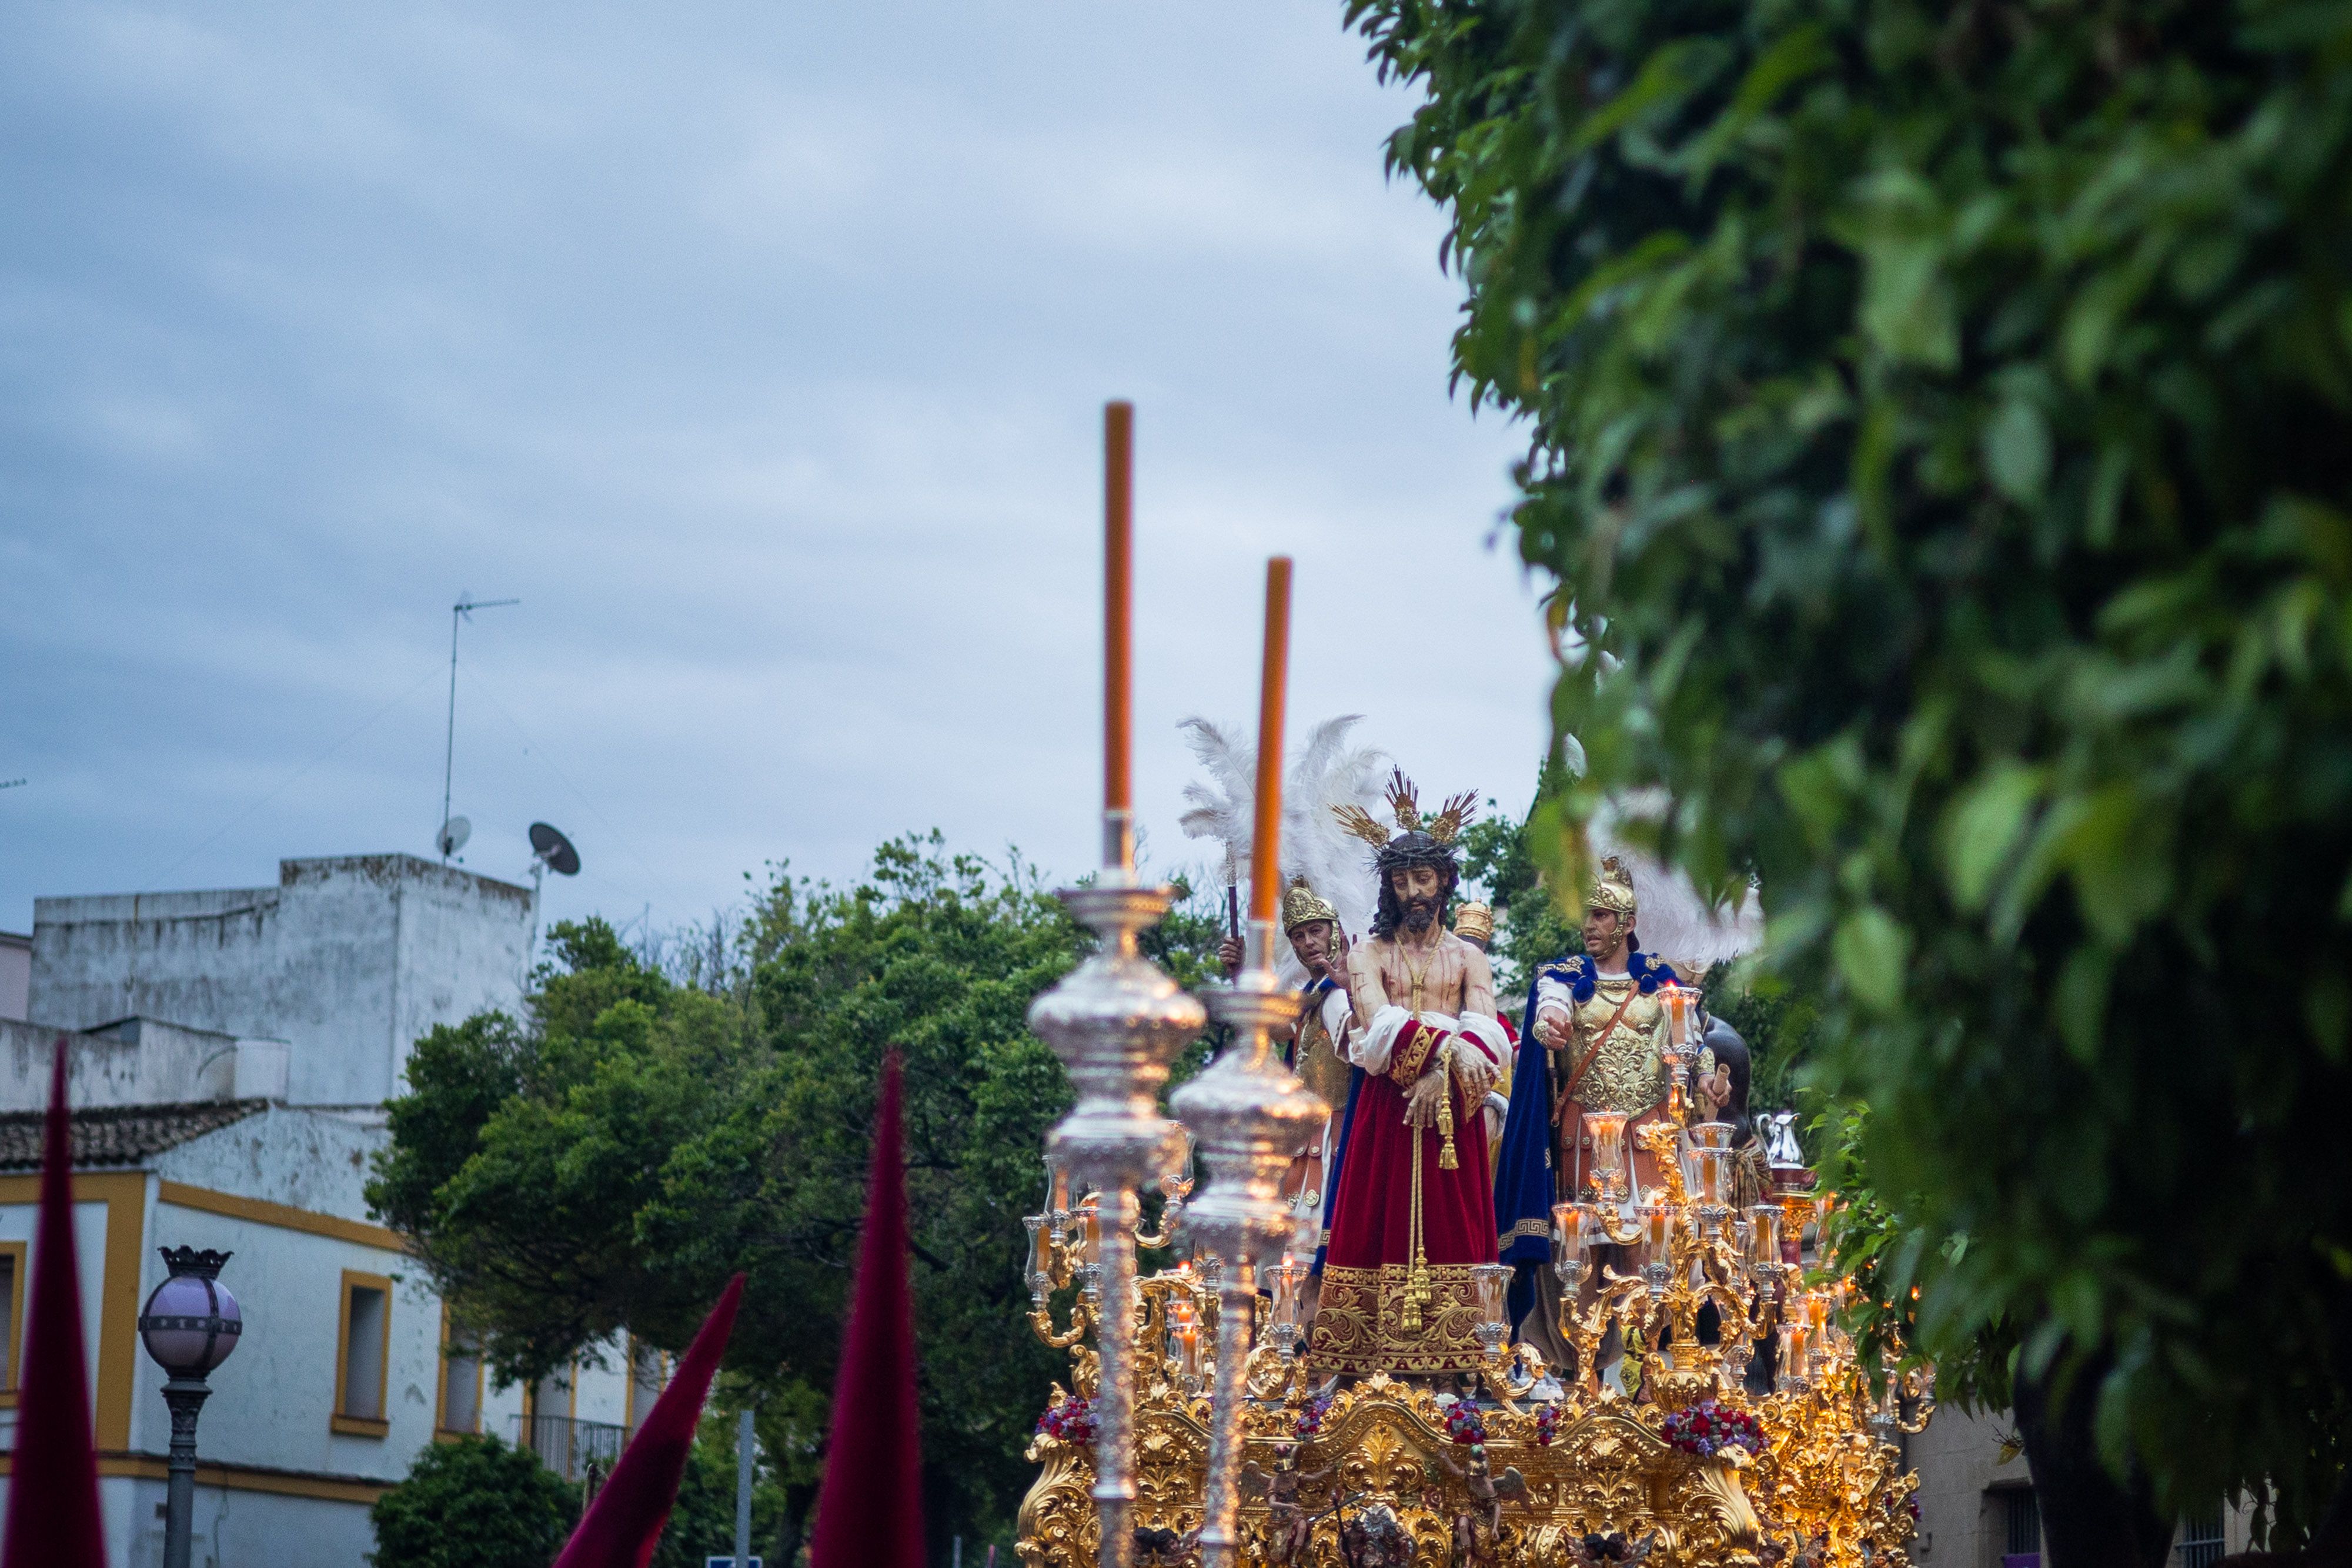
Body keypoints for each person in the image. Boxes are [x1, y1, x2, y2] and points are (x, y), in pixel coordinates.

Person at [1309, 773, 1511, 1378]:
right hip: (1386, 1106)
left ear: (1445, 881)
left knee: (1456, 1221)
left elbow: (1491, 1036)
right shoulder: (1366, 955)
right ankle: (1364, 1363)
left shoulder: (1469, 957)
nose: (1412, 891)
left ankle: (1459, 1364)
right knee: (1376, 1219)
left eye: (1423, 878)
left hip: (1454, 1113)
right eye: (1400, 881)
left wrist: (1445, 1073)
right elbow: (1375, 1027)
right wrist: (1450, 1056)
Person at [1491, 856, 1683, 1362]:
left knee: (1648, 1258)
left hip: (1646, 1138)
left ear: (1627, 923)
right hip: (1584, 1137)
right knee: (1585, 1262)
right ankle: (1585, 1369)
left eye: (1600, 915)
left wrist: (1704, 1068)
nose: (1589, 925)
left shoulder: (1660, 981)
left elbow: (1689, 1037)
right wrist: (1548, 1024)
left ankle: (1645, 1372)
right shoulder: (1564, 976)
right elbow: (1550, 1007)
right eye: (1586, 915)